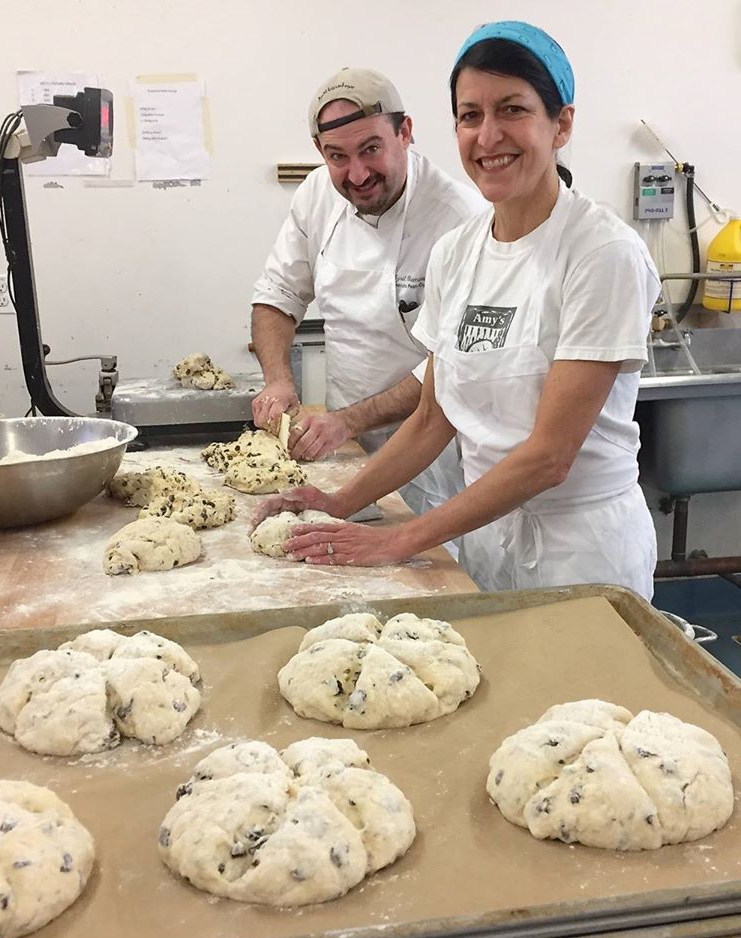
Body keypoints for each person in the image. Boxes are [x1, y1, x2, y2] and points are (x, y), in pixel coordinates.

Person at [254, 21, 661, 601]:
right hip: (485, 535)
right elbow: (432, 416)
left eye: (512, 109)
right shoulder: (459, 252)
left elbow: (549, 456)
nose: (487, 136)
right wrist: (339, 504)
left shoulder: (601, 254)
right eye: (470, 115)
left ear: (561, 123)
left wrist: (404, 538)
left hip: (581, 550)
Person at [250, 68, 486, 533]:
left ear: (405, 132)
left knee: (427, 572)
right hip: (343, 448)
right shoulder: (317, 193)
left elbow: (450, 367)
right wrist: (278, 380)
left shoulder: (461, 220)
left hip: (435, 455)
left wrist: (348, 421)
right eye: (338, 156)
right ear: (320, 151)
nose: (356, 174)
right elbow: (277, 296)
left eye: (371, 150)